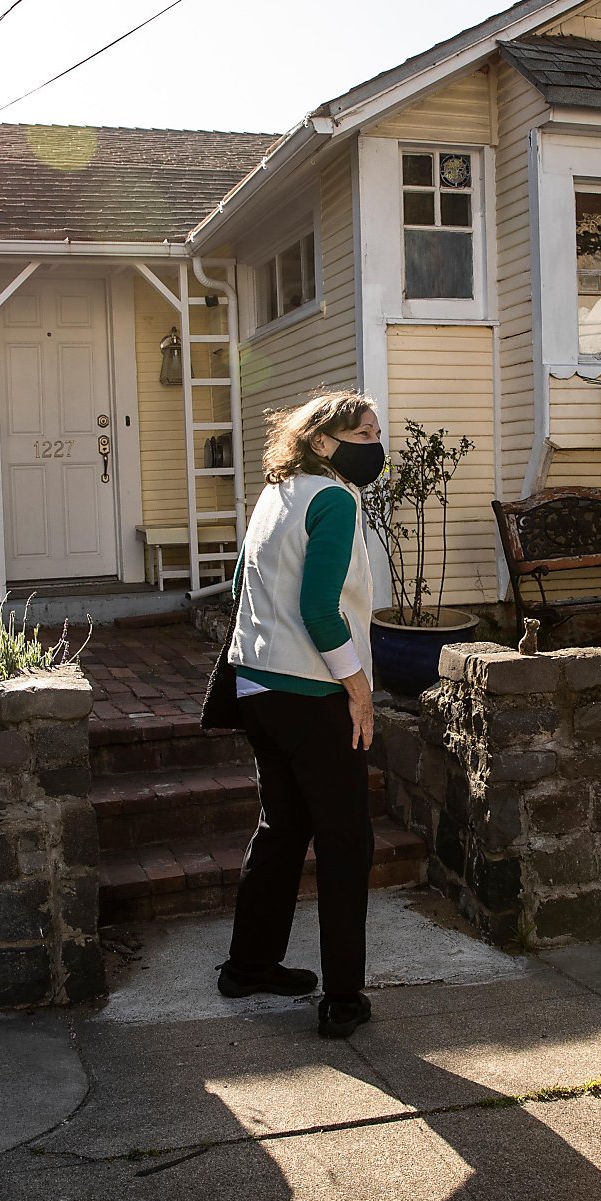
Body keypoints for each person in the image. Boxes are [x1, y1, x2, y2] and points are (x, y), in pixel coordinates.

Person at [216, 391, 383, 1040]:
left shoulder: (276, 493)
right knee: (346, 841)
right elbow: (320, 609)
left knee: (282, 828)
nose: (375, 444)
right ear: (322, 440)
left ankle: (248, 965)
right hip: (314, 694)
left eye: (376, 431)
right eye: (363, 433)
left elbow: (239, 587)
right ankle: (343, 998)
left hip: (255, 685)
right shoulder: (334, 499)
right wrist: (359, 689)